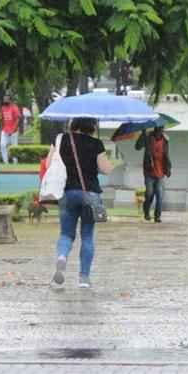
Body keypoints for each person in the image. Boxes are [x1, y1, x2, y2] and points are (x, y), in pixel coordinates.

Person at [52, 117, 114, 289]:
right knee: (87, 236)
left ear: (73, 124)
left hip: (67, 192)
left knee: (66, 234)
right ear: (92, 126)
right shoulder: (96, 143)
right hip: (90, 194)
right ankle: (84, 278)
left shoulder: (60, 140)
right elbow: (106, 169)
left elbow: (50, 163)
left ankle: (62, 256)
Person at [135, 126, 172, 223]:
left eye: (162, 129)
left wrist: (168, 168)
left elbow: (167, 155)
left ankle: (157, 217)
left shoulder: (165, 140)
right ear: (155, 129)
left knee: (159, 195)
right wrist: (142, 135)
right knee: (149, 194)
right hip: (149, 172)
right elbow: (137, 147)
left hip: (160, 173)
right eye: (158, 129)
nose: (160, 131)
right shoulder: (148, 138)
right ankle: (146, 212)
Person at [0, 95, 22, 164]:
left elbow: (18, 119)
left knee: (14, 147)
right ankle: (6, 162)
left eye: (6, 99)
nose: (5, 100)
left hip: (13, 132)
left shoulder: (14, 107)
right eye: (4, 99)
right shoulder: (2, 108)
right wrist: (1, 130)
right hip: (5, 130)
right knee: (2, 145)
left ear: (10, 100)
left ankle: (15, 162)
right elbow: (1, 119)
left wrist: (13, 130)